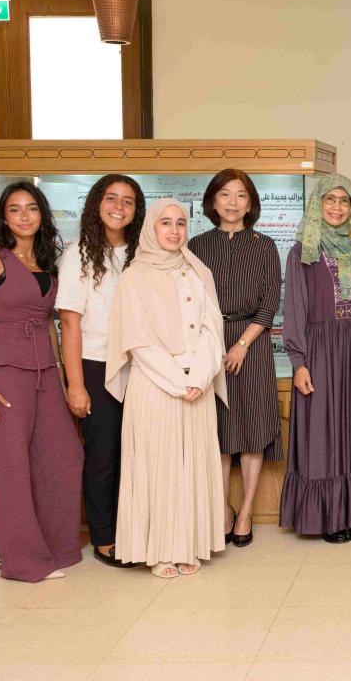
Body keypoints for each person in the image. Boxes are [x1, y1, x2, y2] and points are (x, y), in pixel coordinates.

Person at [0, 182, 83, 583]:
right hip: (2, 370)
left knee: (65, 458)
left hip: (45, 373)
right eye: (14, 209)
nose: (23, 216)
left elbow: (52, 325)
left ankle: (59, 548)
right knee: (11, 469)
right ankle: (24, 562)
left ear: (42, 214)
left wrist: (65, 379)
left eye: (31, 208)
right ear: (3, 217)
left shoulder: (47, 258)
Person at [106, 199, 227, 578]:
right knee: (158, 467)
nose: (174, 231)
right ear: (150, 229)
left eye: (180, 223)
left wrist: (199, 375)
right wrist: (179, 379)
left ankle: (187, 544)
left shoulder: (196, 270)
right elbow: (137, 341)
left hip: (196, 385)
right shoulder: (134, 277)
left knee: (191, 466)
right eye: (165, 224)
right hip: (156, 386)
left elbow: (212, 328)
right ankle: (159, 551)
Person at [281, 174, 351, 541]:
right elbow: (294, 308)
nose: (337, 207)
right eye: (330, 199)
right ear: (318, 203)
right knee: (323, 431)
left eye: (344, 201)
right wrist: (299, 361)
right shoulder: (302, 250)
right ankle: (328, 517)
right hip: (320, 351)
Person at [189, 169, 283, 548]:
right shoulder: (195, 246)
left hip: (253, 343)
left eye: (240, 195)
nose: (232, 202)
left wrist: (242, 344)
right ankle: (222, 510)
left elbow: (270, 303)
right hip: (207, 342)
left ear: (251, 203)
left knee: (252, 428)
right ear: (212, 201)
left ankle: (245, 512)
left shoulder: (264, 246)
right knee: (218, 430)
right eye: (224, 194)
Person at [57, 174, 143, 568]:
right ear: (97, 203)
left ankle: (135, 530)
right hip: (95, 363)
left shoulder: (143, 251)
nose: (119, 207)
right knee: (103, 454)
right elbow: (70, 323)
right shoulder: (78, 252)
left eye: (128, 201)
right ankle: (104, 536)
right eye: (112, 198)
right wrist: (76, 385)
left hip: (142, 366)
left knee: (136, 452)